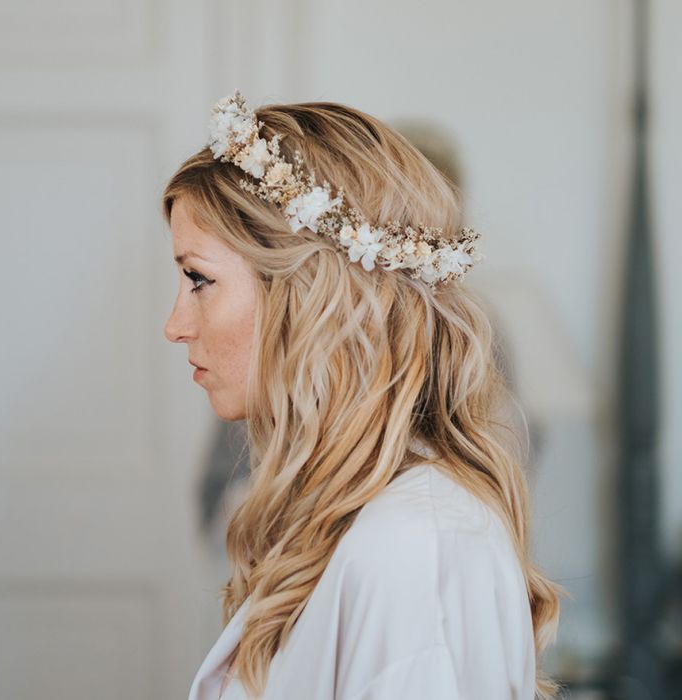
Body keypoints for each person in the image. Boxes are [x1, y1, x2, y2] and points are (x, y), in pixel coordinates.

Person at [163, 91, 563, 699]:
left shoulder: (414, 553)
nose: (175, 326)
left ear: (308, 293)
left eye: (199, 280)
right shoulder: (348, 523)